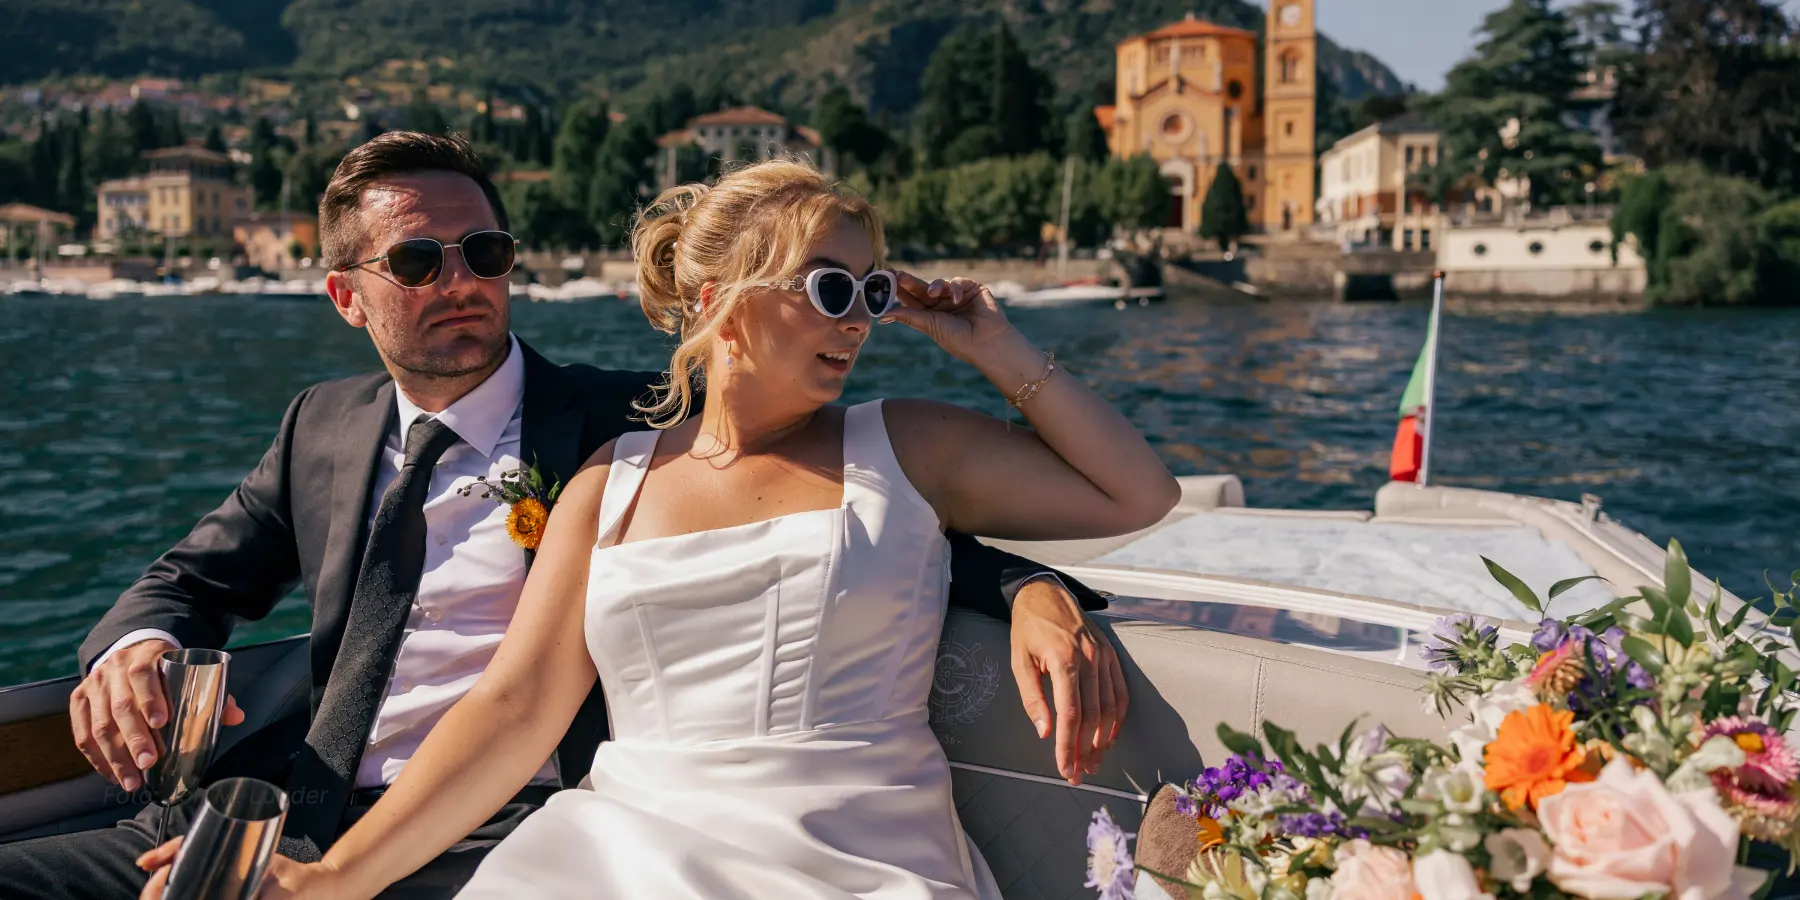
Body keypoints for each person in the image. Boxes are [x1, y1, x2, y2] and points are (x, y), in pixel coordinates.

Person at [0, 132, 1130, 900]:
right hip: (283, 804)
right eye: (418, 260)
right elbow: (191, 579)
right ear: (346, 295)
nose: (461, 280)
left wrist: (1028, 586)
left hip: (493, 828)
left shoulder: (631, 427)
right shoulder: (321, 427)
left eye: (484, 253)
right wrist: (135, 646)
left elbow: (825, 506)